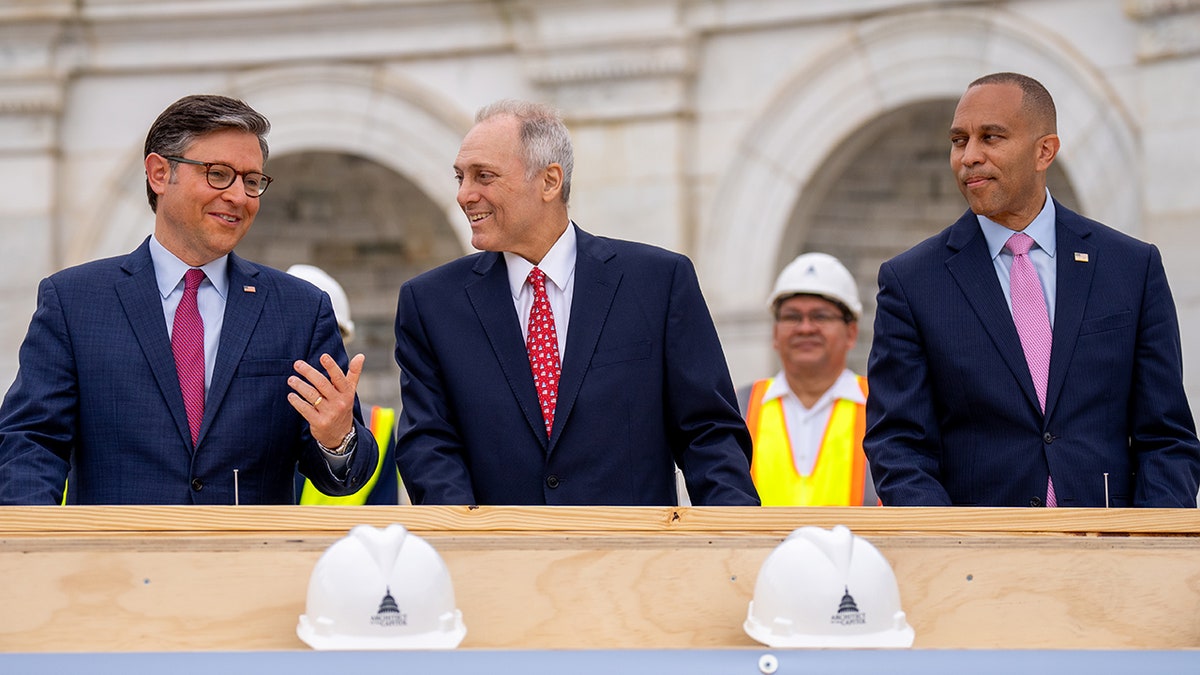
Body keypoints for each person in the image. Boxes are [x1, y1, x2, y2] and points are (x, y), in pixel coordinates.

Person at [0, 94, 378, 504]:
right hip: (113, 562)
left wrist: (337, 440)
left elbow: (345, 479)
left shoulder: (301, 310)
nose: (239, 196)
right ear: (159, 173)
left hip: (251, 561)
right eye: (218, 174)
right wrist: (36, 547)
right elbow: (30, 441)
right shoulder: (75, 302)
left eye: (252, 181)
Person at [393, 99, 759, 506]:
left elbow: (708, 433)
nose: (464, 195)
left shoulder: (658, 283)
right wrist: (471, 544)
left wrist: (734, 543)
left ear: (550, 182)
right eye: (461, 177)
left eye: (484, 177)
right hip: (496, 560)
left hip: (635, 560)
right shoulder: (429, 305)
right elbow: (428, 445)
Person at [865, 72, 1200, 507]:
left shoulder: (1132, 267)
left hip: (1110, 555)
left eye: (991, 137)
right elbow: (898, 444)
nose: (969, 156)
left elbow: (1167, 436)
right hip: (976, 561)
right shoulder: (910, 282)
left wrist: (1146, 548)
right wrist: (952, 547)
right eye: (959, 140)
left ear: (1045, 151)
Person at [742, 252, 877, 506]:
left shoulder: (883, 406)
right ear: (774, 332)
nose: (805, 328)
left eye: (820, 316)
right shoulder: (739, 408)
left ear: (851, 333)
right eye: (792, 316)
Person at [287, 264, 400, 505]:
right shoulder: (243, 411)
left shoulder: (376, 427)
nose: (310, 347)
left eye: (323, 336)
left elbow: (383, 527)